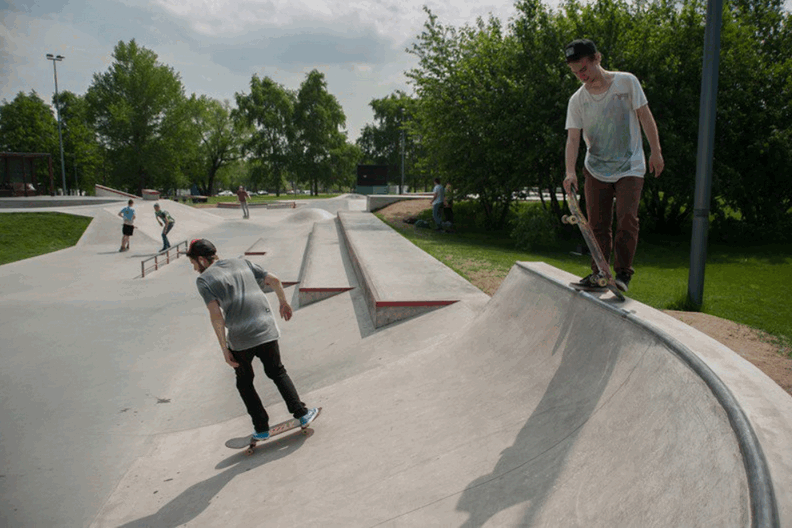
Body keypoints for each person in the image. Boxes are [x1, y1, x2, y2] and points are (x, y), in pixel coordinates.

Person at [187, 239, 319, 441]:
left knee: (245, 383)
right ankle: (301, 414)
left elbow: (216, 316)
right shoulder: (242, 262)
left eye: (194, 263)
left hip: (241, 338)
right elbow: (274, 280)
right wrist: (283, 302)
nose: (195, 268)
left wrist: (224, 348)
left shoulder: (204, 280)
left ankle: (262, 428)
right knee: (277, 371)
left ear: (203, 260)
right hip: (266, 328)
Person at [563, 39, 664, 293]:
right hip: (596, 168)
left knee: (627, 219)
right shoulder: (577, 100)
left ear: (597, 57)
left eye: (583, 69)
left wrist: (656, 151)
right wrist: (570, 172)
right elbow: (573, 138)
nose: (581, 76)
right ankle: (599, 272)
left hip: (630, 165)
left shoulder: (627, 82)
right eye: (575, 73)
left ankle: (622, 274)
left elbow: (645, 116)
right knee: (597, 225)